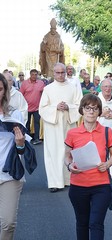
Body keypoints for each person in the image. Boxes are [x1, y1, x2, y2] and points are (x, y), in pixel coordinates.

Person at [64, 93, 112, 240]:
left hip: (101, 186)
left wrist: (107, 164)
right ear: (82, 110)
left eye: (95, 109)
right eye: (87, 108)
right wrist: (70, 166)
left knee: (96, 224)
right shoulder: (72, 133)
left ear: (99, 112)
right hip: (78, 186)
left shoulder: (107, 131)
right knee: (82, 223)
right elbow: (67, 155)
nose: (91, 112)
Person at [39, 63, 82, 192]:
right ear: (54, 73)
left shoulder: (73, 88)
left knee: (68, 151)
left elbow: (79, 105)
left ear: (66, 72)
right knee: (53, 153)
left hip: (69, 124)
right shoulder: (48, 89)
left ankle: (68, 179)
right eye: (57, 73)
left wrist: (68, 107)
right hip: (53, 125)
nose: (60, 75)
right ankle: (54, 182)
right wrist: (55, 108)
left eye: (63, 72)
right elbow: (42, 108)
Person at [0, 73, 25, 240]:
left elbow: (22, 151)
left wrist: (20, 143)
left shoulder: (14, 115)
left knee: (8, 222)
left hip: (9, 174)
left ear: (5, 91)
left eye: (0, 89)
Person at [20, 69, 45, 145]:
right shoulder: (24, 83)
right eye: (32, 74)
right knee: (26, 123)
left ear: (37, 75)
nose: (34, 76)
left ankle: (36, 139)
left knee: (37, 123)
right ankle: (27, 138)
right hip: (26, 108)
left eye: (35, 74)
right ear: (30, 75)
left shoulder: (41, 83)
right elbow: (21, 95)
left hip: (37, 108)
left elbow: (44, 94)